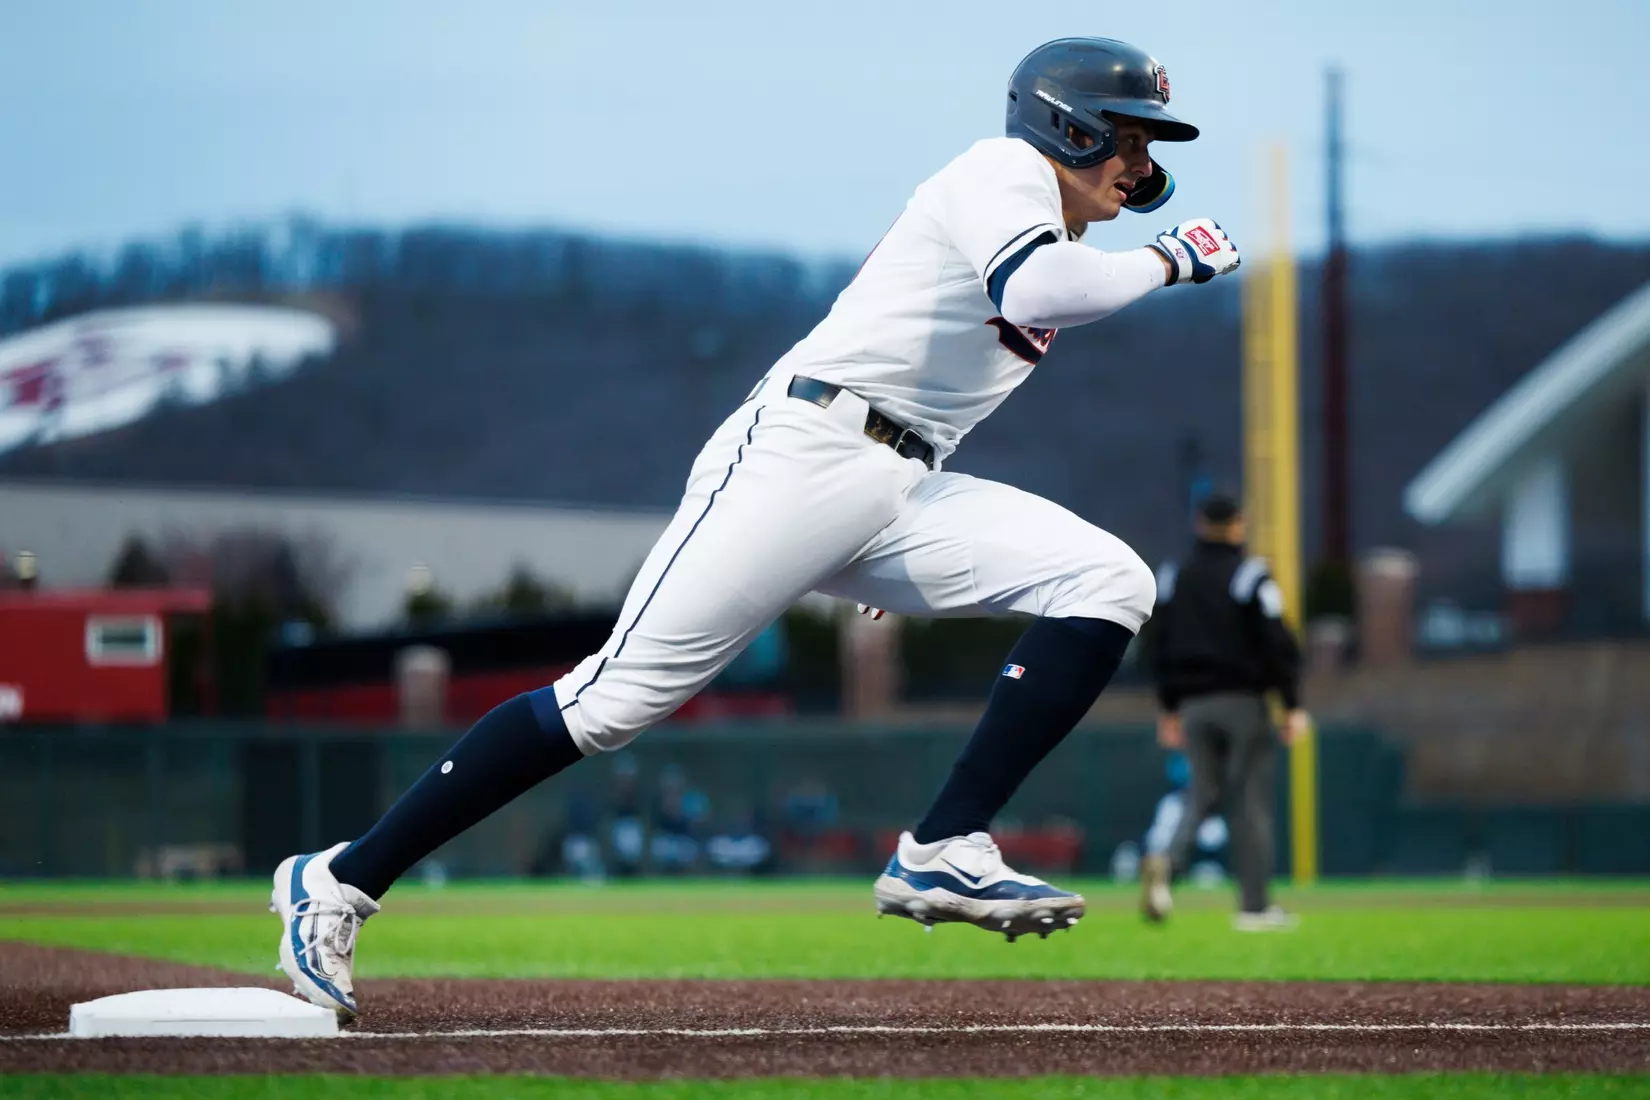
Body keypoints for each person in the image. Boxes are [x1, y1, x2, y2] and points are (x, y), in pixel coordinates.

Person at [271, 35, 1242, 1021]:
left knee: (1109, 579)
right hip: (803, 451)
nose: (1143, 158)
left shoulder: (1063, 236)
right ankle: (340, 878)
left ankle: (945, 843)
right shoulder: (1003, 171)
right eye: (1127, 133)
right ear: (1065, 122)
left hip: (895, 480)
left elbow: (953, 367)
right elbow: (1027, 293)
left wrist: (879, 554)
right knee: (609, 702)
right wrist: (1169, 259)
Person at [1141, 493, 1307, 931]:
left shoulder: (1176, 575)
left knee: (1201, 794)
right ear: (1240, 524)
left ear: (1199, 523)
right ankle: (1253, 907)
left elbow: (1156, 644)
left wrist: (1169, 707)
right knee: (1249, 801)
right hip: (1242, 702)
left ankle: (1167, 865)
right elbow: (1278, 642)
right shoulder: (1250, 574)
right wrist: (1290, 703)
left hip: (1192, 706)